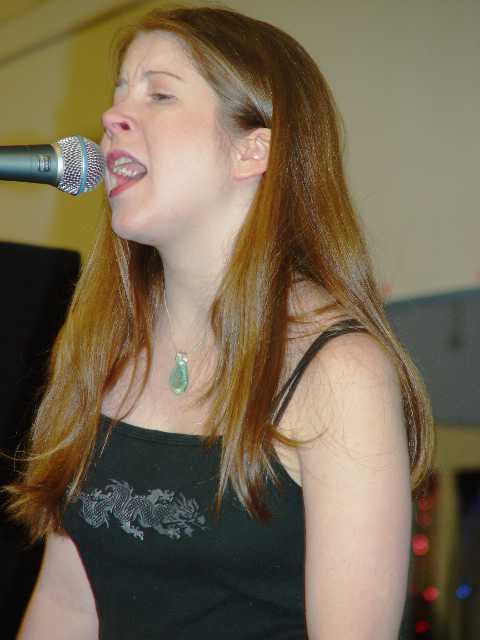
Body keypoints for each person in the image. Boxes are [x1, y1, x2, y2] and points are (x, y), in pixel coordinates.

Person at [6, 5, 434, 639]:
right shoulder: (107, 348)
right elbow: (68, 605)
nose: (112, 116)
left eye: (159, 94)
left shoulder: (340, 372)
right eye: (119, 91)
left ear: (252, 150)